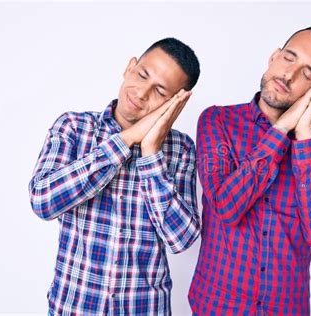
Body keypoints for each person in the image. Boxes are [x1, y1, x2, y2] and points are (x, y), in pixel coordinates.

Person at [29, 37, 201, 315]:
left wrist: (151, 153)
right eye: (142, 75)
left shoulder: (181, 149)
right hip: (73, 307)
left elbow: (181, 239)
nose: (142, 93)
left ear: (177, 102)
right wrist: (125, 141)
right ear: (130, 67)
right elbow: (43, 201)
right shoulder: (73, 127)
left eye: (160, 91)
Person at [188, 27, 311, 315]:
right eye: (288, 58)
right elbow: (225, 207)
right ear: (274, 56)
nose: (289, 75)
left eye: (308, 74)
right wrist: (282, 129)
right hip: (217, 306)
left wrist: (304, 134)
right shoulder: (217, 120)